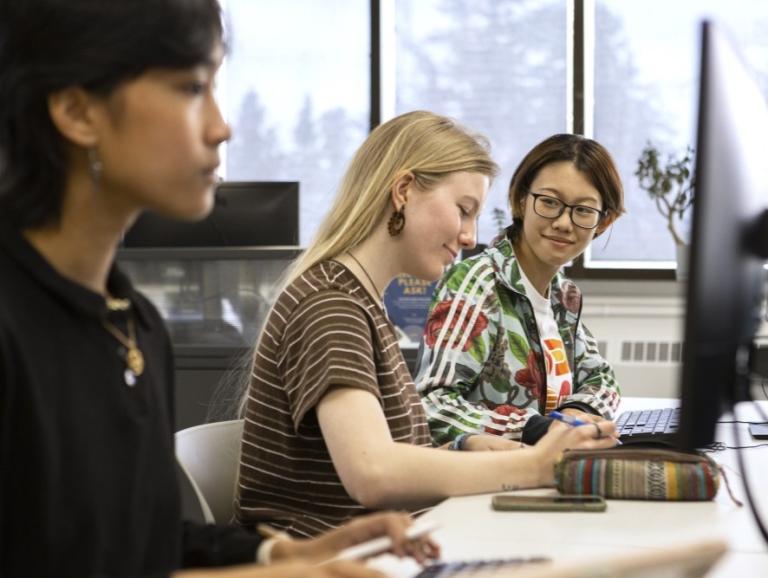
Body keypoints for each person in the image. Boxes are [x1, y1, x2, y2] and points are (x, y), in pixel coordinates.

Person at [0, 1, 437, 577]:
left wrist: (282, 552)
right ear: (79, 111)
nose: (222, 126)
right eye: (191, 87)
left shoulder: (130, 322)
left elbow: (138, 537)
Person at [235, 113, 620, 538]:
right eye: (463, 210)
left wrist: (465, 445)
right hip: (330, 558)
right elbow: (373, 472)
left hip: (387, 542)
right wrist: (532, 464)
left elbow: (390, 454)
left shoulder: (360, 301)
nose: (471, 237)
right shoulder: (331, 306)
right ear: (403, 192)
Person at [414, 133, 625, 446]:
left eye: (583, 210)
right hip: (482, 484)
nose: (564, 223)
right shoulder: (478, 283)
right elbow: (431, 406)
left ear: (603, 222)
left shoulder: (563, 295)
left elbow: (602, 381)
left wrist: (575, 415)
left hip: (544, 473)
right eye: (550, 203)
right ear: (521, 201)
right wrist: (538, 429)